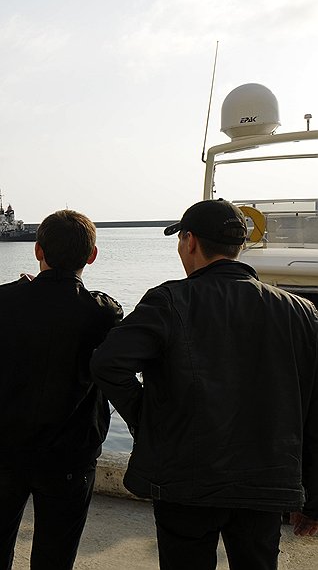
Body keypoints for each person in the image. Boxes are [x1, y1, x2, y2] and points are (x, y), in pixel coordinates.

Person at [90, 199, 318, 568]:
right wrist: (314, 498)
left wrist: (149, 419)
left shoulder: (169, 300)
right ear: (239, 246)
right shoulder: (302, 312)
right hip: (267, 483)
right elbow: (315, 410)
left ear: (190, 241)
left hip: (185, 482)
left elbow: (107, 363)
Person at [0, 209, 122, 569]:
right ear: (92, 255)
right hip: (71, 457)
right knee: (55, 556)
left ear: (37, 250)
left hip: (5, 450)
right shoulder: (102, 314)